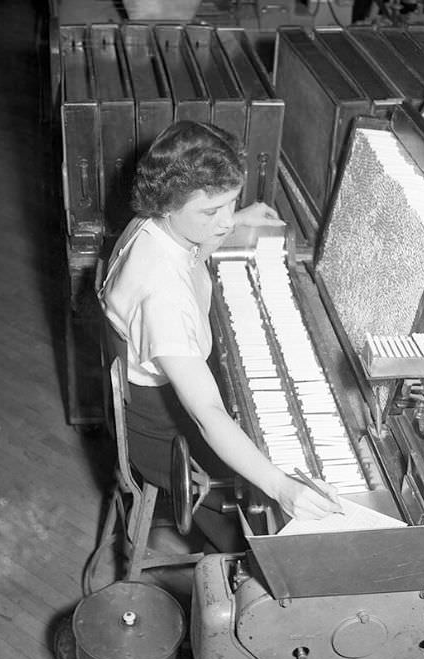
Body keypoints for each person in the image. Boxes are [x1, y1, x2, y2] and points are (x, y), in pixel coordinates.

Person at [99, 121, 342, 551]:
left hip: (154, 398)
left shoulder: (151, 224)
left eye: (231, 203)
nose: (224, 220)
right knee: (262, 509)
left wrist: (230, 222)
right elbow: (208, 413)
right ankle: (232, 561)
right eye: (211, 212)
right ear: (168, 204)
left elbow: (190, 252)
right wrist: (280, 486)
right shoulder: (162, 296)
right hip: (162, 434)